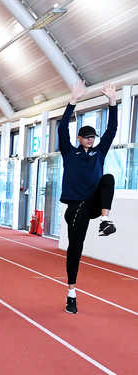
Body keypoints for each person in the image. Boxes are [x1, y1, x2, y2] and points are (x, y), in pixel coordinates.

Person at [59, 82, 117, 315]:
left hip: (93, 202)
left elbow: (111, 130)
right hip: (75, 208)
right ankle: (71, 293)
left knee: (109, 178)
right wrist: (73, 100)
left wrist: (112, 102)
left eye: (93, 137)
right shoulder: (69, 152)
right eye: (87, 137)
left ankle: (105, 220)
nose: (91, 140)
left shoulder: (98, 153)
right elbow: (62, 129)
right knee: (76, 248)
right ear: (80, 138)